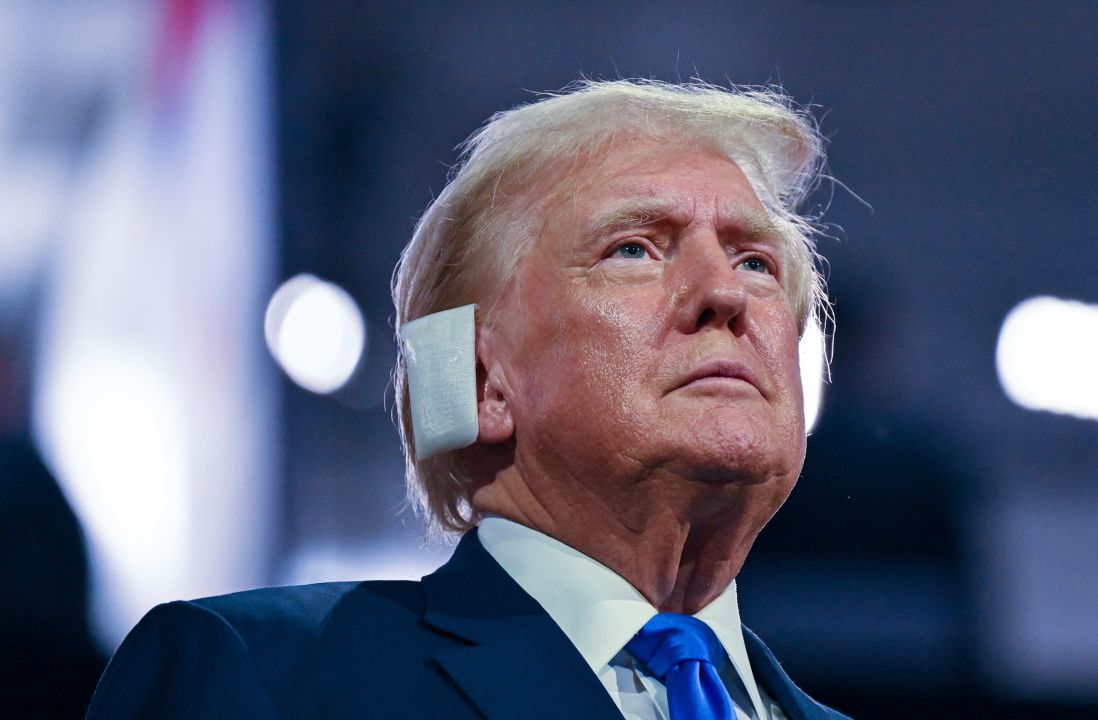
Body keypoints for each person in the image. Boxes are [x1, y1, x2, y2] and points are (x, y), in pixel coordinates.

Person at [86, 79, 850, 720]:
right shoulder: (267, 679)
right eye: (634, 248)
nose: (724, 293)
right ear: (485, 383)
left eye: (755, 262)